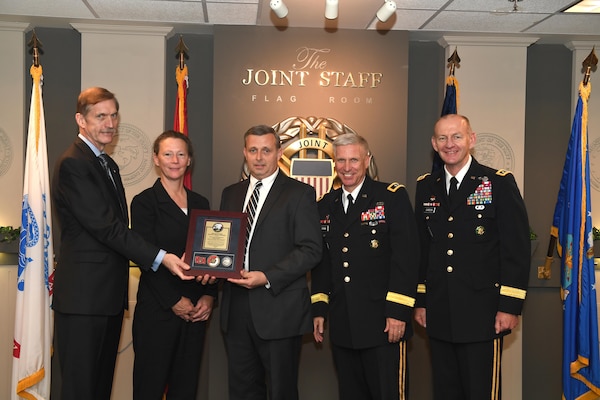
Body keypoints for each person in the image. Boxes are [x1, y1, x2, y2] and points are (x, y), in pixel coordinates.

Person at [51, 87, 193, 400]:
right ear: (81, 120)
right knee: (80, 389)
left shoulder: (106, 164)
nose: (110, 123)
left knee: (99, 388)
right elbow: (108, 229)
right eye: (100, 116)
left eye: (114, 115)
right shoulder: (75, 164)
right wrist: (162, 257)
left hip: (107, 299)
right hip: (83, 300)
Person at [413, 114, 530, 400]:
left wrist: (510, 306)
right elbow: (422, 249)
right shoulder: (426, 186)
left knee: (481, 392)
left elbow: (516, 248)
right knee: (445, 390)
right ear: (433, 143)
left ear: (471, 139)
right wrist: (422, 300)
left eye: (456, 136)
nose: (449, 144)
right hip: (439, 312)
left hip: (483, 312)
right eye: (442, 138)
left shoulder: (498, 183)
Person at [311, 133, 420, 400]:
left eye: (354, 160)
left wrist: (397, 312)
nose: (347, 167)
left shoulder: (390, 197)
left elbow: (406, 258)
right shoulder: (326, 205)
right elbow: (323, 263)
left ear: (367, 160)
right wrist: (319, 309)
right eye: (341, 160)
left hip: (383, 323)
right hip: (344, 324)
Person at [219, 124, 322, 400]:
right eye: (253, 150)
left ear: (279, 153)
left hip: (279, 310)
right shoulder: (230, 193)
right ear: (244, 152)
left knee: (281, 391)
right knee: (241, 391)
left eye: (266, 150)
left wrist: (267, 276)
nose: (259, 157)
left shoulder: (299, 193)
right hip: (236, 310)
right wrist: (211, 266)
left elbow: (311, 249)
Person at [130, 130, 217, 400]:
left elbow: (212, 256)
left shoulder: (201, 203)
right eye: (168, 154)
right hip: (158, 311)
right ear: (156, 159)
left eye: (181, 154)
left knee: (185, 389)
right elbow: (146, 259)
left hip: (195, 313)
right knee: (150, 388)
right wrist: (173, 300)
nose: (175, 160)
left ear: (189, 160)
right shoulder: (144, 202)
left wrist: (209, 296)